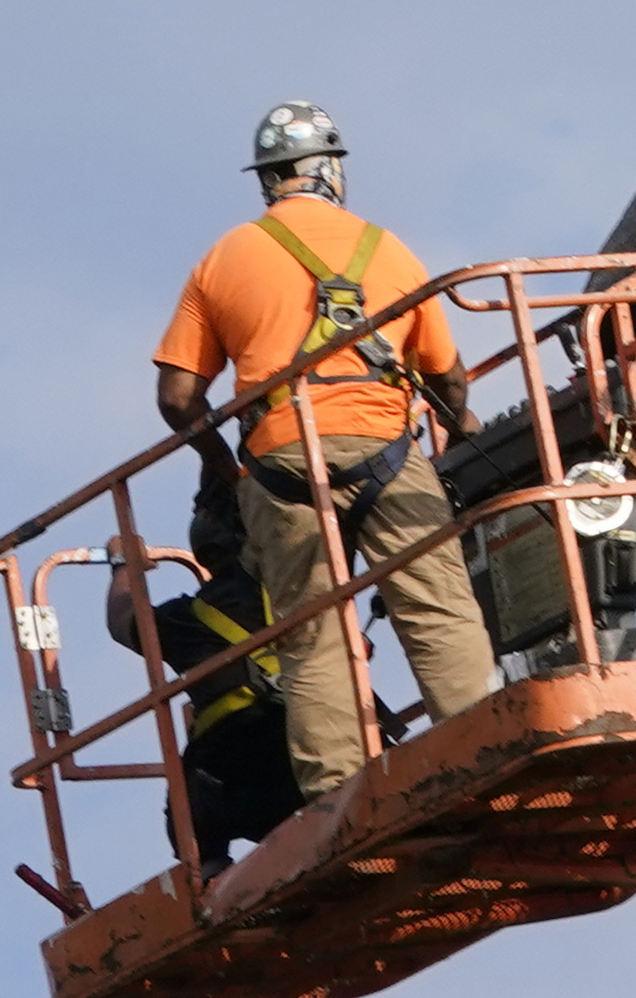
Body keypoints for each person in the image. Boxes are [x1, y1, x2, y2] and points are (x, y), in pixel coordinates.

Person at [150, 101, 498, 803]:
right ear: (331, 170)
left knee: (312, 635)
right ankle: (481, 753)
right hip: (390, 456)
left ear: (268, 180)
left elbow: (178, 397)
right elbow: (448, 375)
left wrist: (230, 468)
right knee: (438, 611)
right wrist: (462, 428)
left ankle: (336, 796)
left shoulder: (224, 257)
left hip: (280, 467)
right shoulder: (389, 249)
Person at [99, 446, 298, 859]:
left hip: (237, 781)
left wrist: (125, 563)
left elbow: (124, 620)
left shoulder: (188, 619)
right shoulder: (299, 580)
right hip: (315, 756)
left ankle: (205, 869)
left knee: (188, 792)